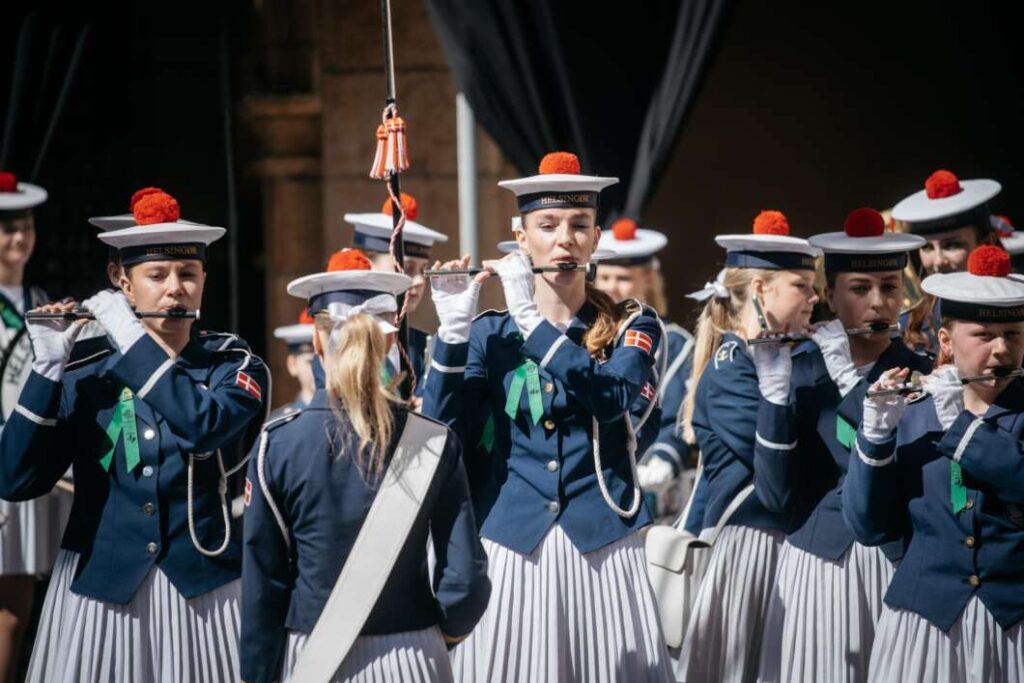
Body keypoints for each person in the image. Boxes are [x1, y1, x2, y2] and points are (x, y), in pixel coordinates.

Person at [0, 189, 268, 682]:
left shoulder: (234, 365)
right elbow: (15, 478)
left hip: (203, 588)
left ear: (204, 281)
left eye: (188, 274)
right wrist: (44, 372)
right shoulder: (85, 371)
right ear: (122, 282)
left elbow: (202, 426)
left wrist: (128, 338)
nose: (175, 288)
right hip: (102, 587)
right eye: (157, 275)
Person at [424, 151, 672, 681]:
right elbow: (442, 437)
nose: (566, 239)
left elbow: (614, 397)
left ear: (596, 238)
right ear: (520, 238)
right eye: (548, 225)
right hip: (513, 539)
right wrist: (449, 337)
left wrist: (534, 323)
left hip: (603, 539)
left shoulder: (633, 322)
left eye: (580, 225)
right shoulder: (491, 334)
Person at [240, 248, 489, 683]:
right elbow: (465, 580)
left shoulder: (275, 444)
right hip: (413, 652)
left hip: (312, 655)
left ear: (316, 340)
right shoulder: (434, 440)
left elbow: (265, 584)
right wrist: (442, 633)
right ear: (391, 341)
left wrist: (257, 672)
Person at [754, 208, 930, 682]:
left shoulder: (924, 375)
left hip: (899, 562)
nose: (879, 304)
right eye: (860, 289)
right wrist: (774, 396)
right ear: (829, 293)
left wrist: (849, 382)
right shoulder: (800, 368)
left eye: (890, 288)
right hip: (819, 566)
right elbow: (775, 495)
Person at [846, 245, 1024, 682]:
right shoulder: (916, 409)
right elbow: (870, 526)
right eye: (983, 335)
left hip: (1014, 620)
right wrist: (875, 440)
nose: (1001, 350)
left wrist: (958, 425)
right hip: (923, 622)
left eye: (1014, 334)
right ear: (946, 341)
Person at [676, 209, 821, 683]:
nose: (815, 297)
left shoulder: (796, 355)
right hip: (752, 551)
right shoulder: (729, 368)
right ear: (760, 290)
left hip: (794, 546)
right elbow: (780, 483)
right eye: (801, 285)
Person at [0, 170, 71, 682]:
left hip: (21, 465)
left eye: (24, 227)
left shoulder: (38, 297)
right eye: (6, 228)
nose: (18, 238)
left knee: (19, 606)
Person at [594, 217, 696, 519]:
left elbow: (679, 412)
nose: (612, 286)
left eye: (623, 277)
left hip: (653, 481)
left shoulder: (676, 341)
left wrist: (667, 458)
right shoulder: (584, 333)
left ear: (648, 278)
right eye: (606, 276)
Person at [345, 193, 448, 395]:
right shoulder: (341, 339)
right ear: (367, 264)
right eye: (406, 267)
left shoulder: (424, 346)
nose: (418, 280)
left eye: (423, 270)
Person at [892, 170, 1002, 358]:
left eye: (952, 245)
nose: (937, 262)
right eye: (927, 247)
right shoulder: (907, 324)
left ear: (986, 243)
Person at [269, 309, 315, 419]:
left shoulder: (353, 420)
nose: (321, 368)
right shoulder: (278, 424)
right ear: (293, 365)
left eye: (327, 361)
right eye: (311, 362)